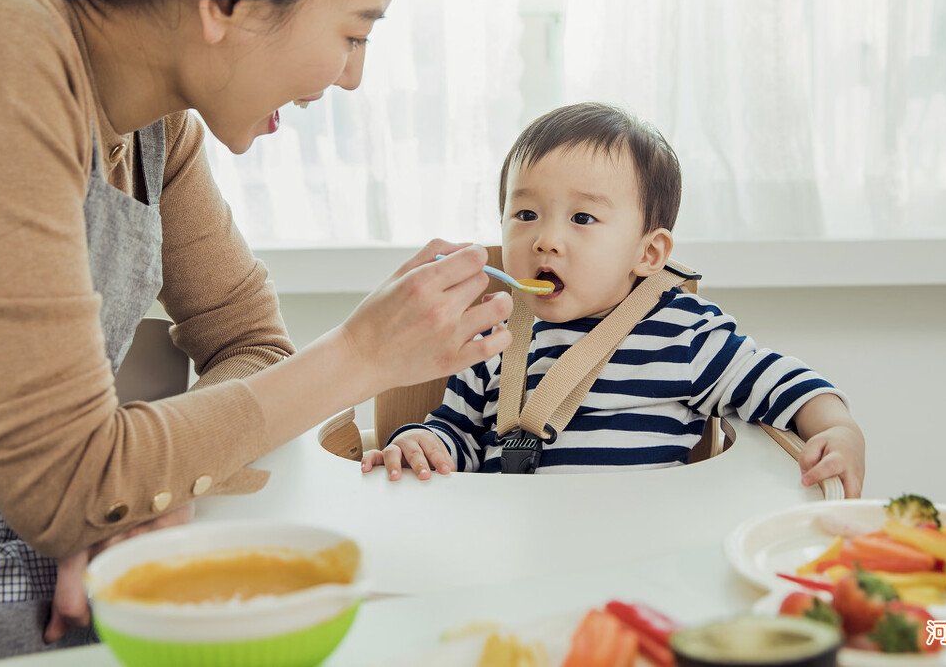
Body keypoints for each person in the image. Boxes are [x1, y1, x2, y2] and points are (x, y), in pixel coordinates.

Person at [0, 0, 514, 659]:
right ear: (227, 2)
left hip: (25, 552)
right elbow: (73, 486)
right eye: (354, 32)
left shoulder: (155, 130)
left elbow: (252, 344)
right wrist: (363, 355)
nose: (352, 76)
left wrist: (145, 488)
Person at [361, 103, 865, 494]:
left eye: (582, 219)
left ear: (648, 252)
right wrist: (425, 445)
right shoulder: (491, 337)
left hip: (639, 557)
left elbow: (782, 382)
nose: (546, 240)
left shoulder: (684, 333)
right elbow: (459, 436)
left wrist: (838, 430)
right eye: (526, 215)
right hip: (513, 555)